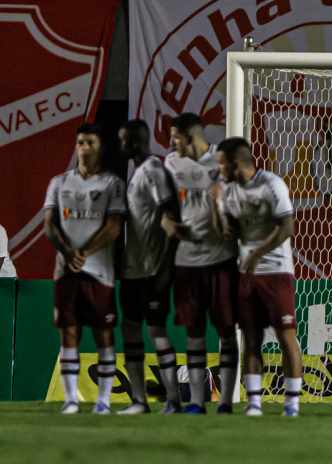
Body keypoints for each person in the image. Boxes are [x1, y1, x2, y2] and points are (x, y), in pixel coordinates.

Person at [215, 137, 303, 417]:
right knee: (250, 338)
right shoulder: (228, 191)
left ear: (236, 163)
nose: (219, 170)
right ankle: (254, 403)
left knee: (285, 336)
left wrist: (256, 254)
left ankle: (292, 404)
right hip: (247, 276)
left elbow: (287, 227)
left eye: (222, 164)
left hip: (277, 272)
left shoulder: (272, 184)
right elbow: (232, 233)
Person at [43, 124, 126, 414]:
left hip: (100, 272)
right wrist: (68, 253)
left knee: (104, 335)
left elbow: (114, 227)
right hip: (65, 272)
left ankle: (103, 400)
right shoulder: (59, 182)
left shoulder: (111, 184)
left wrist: (85, 252)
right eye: (80, 142)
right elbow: (49, 224)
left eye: (89, 142)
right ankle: (70, 399)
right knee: (69, 333)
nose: (84, 147)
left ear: (100, 146)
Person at [163, 113, 238, 414]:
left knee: (226, 330)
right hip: (187, 262)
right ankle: (195, 401)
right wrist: (171, 227)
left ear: (190, 136)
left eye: (175, 137)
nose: (171, 143)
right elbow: (164, 210)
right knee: (194, 332)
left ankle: (226, 401)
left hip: (221, 260)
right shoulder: (170, 164)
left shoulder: (223, 161)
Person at [117, 119, 181, 414]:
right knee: (130, 329)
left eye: (124, 139)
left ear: (135, 141)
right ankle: (139, 401)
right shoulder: (135, 172)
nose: (120, 144)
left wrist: (165, 269)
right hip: (133, 269)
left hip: (152, 269)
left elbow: (171, 218)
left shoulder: (154, 171)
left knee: (156, 331)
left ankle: (172, 399)